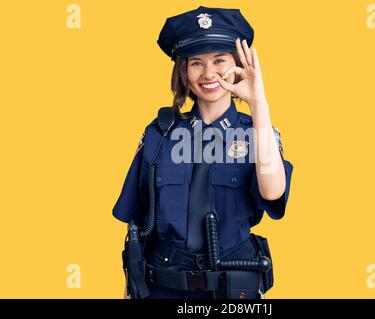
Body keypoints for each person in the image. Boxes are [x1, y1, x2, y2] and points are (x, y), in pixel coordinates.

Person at [113, 6, 293, 299]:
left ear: (236, 66)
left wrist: (259, 103)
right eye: (196, 63)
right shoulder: (159, 134)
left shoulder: (257, 132)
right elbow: (135, 221)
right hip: (162, 285)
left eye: (220, 60)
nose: (209, 73)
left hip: (233, 288)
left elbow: (272, 192)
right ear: (183, 71)